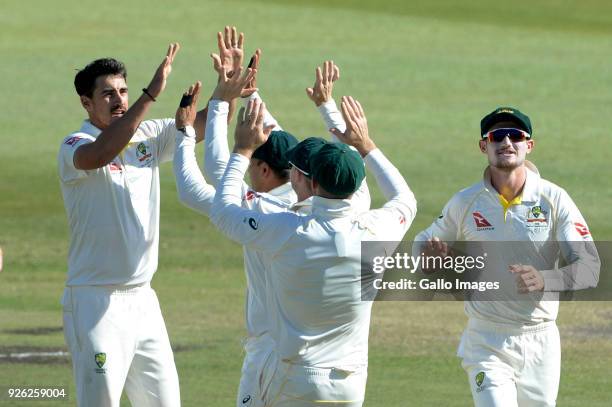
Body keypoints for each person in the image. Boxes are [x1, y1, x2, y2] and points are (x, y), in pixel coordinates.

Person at [208, 95, 416, 406]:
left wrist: (241, 150)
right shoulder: (380, 229)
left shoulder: (288, 231)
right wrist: (366, 146)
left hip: (294, 377)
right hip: (350, 382)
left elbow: (224, 213)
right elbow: (405, 197)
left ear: (314, 184)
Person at [413, 107, 600, 407]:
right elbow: (423, 242)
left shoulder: (554, 200)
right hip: (486, 339)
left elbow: (591, 268)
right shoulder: (466, 201)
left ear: (529, 145)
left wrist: (545, 279)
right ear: (484, 145)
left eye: (516, 136)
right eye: (497, 136)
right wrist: (428, 260)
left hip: (541, 341)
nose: (507, 142)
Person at [57, 43, 210, 406]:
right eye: (107, 93)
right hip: (95, 302)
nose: (119, 99)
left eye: (123, 91)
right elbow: (101, 153)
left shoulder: (149, 135)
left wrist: (227, 93)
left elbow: (198, 126)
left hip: (143, 300)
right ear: (86, 103)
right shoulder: (74, 144)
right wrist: (151, 94)